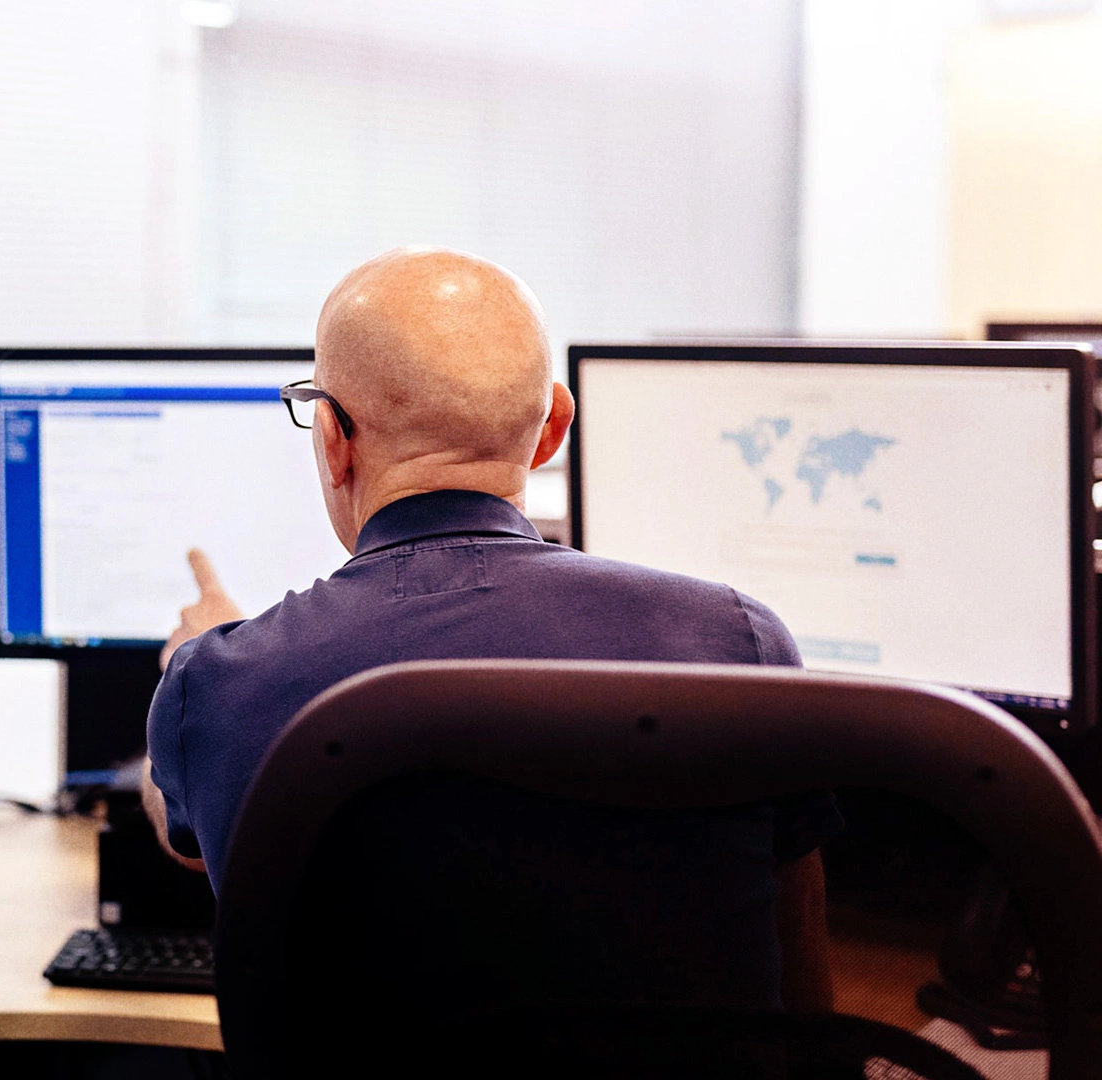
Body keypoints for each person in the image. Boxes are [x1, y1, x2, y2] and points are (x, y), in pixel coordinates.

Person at [143, 246, 840, 1012]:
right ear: (553, 429)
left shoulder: (224, 680)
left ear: (335, 439)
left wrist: (194, 665)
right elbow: (805, 1005)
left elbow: (195, 841)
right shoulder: (738, 645)